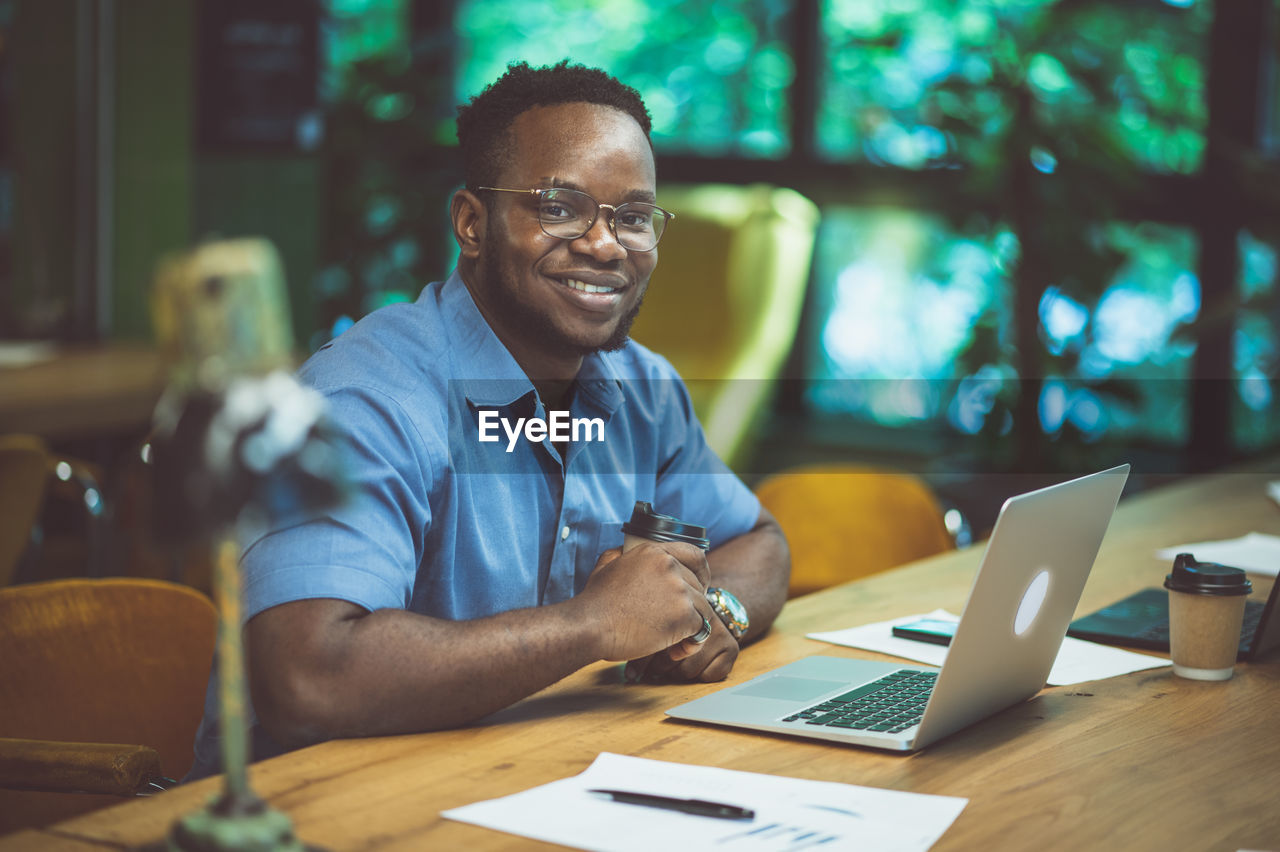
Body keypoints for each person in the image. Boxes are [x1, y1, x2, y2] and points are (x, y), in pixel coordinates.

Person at [187, 60, 790, 778]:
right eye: (560, 207)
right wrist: (590, 623)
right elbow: (308, 676)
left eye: (632, 217)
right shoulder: (362, 399)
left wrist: (707, 609)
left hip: (539, 783)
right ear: (473, 224)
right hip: (339, 811)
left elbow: (760, 543)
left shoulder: (642, 386)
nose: (605, 245)